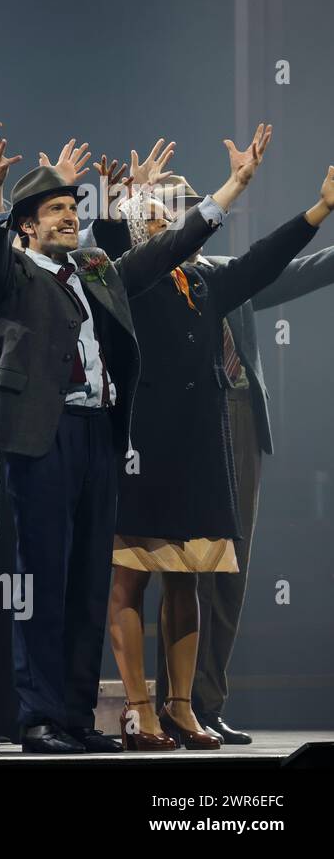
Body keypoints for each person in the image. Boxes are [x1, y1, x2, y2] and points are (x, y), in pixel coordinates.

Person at [0, 125, 270, 754]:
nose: (65, 218)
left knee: (87, 579)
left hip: (98, 437)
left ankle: (77, 714)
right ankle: (38, 717)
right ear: (26, 225)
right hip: (43, 440)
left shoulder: (93, 271)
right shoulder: (12, 274)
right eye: (53, 210)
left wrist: (232, 189)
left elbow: (166, 249)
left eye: (71, 210)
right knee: (44, 578)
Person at [91, 155, 330, 750]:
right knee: (136, 575)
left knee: (201, 574)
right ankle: (145, 710)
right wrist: (122, 198)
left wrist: (321, 210)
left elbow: (276, 265)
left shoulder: (208, 279)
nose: (176, 217)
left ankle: (192, 705)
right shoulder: (133, 271)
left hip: (214, 435)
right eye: (164, 210)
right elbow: (115, 243)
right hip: (147, 443)